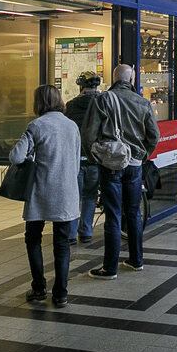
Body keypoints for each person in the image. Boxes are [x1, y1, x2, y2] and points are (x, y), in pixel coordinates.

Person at [83, 64, 159, 280]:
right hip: (135, 166)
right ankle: (136, 260)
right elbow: (154, 135)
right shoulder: (143, 102)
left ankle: (110, 268)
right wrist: (142, 157)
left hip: (111, 165)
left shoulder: (103, 100)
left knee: (113, 215)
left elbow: (88, 135)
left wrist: (96, 158)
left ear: (114, 78)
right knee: (134, 213)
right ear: (131, 80)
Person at [10, 84, 81, 307]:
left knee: (33, 238)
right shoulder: (71, 126)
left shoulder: (36, 126)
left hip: (41, 191)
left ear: (38, 102)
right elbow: (77, 162)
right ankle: (61, 294)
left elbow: (16, 157)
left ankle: (39, 287)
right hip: (66, 192)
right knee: (62, 243)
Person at [64, 70, 103, 243]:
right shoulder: (103, 103)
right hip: (95, 158)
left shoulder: (71, 105)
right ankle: (86, 231)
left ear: (81, 87)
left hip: (75, 159)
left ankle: (71, 234)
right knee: (90, 196)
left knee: (74, 197)